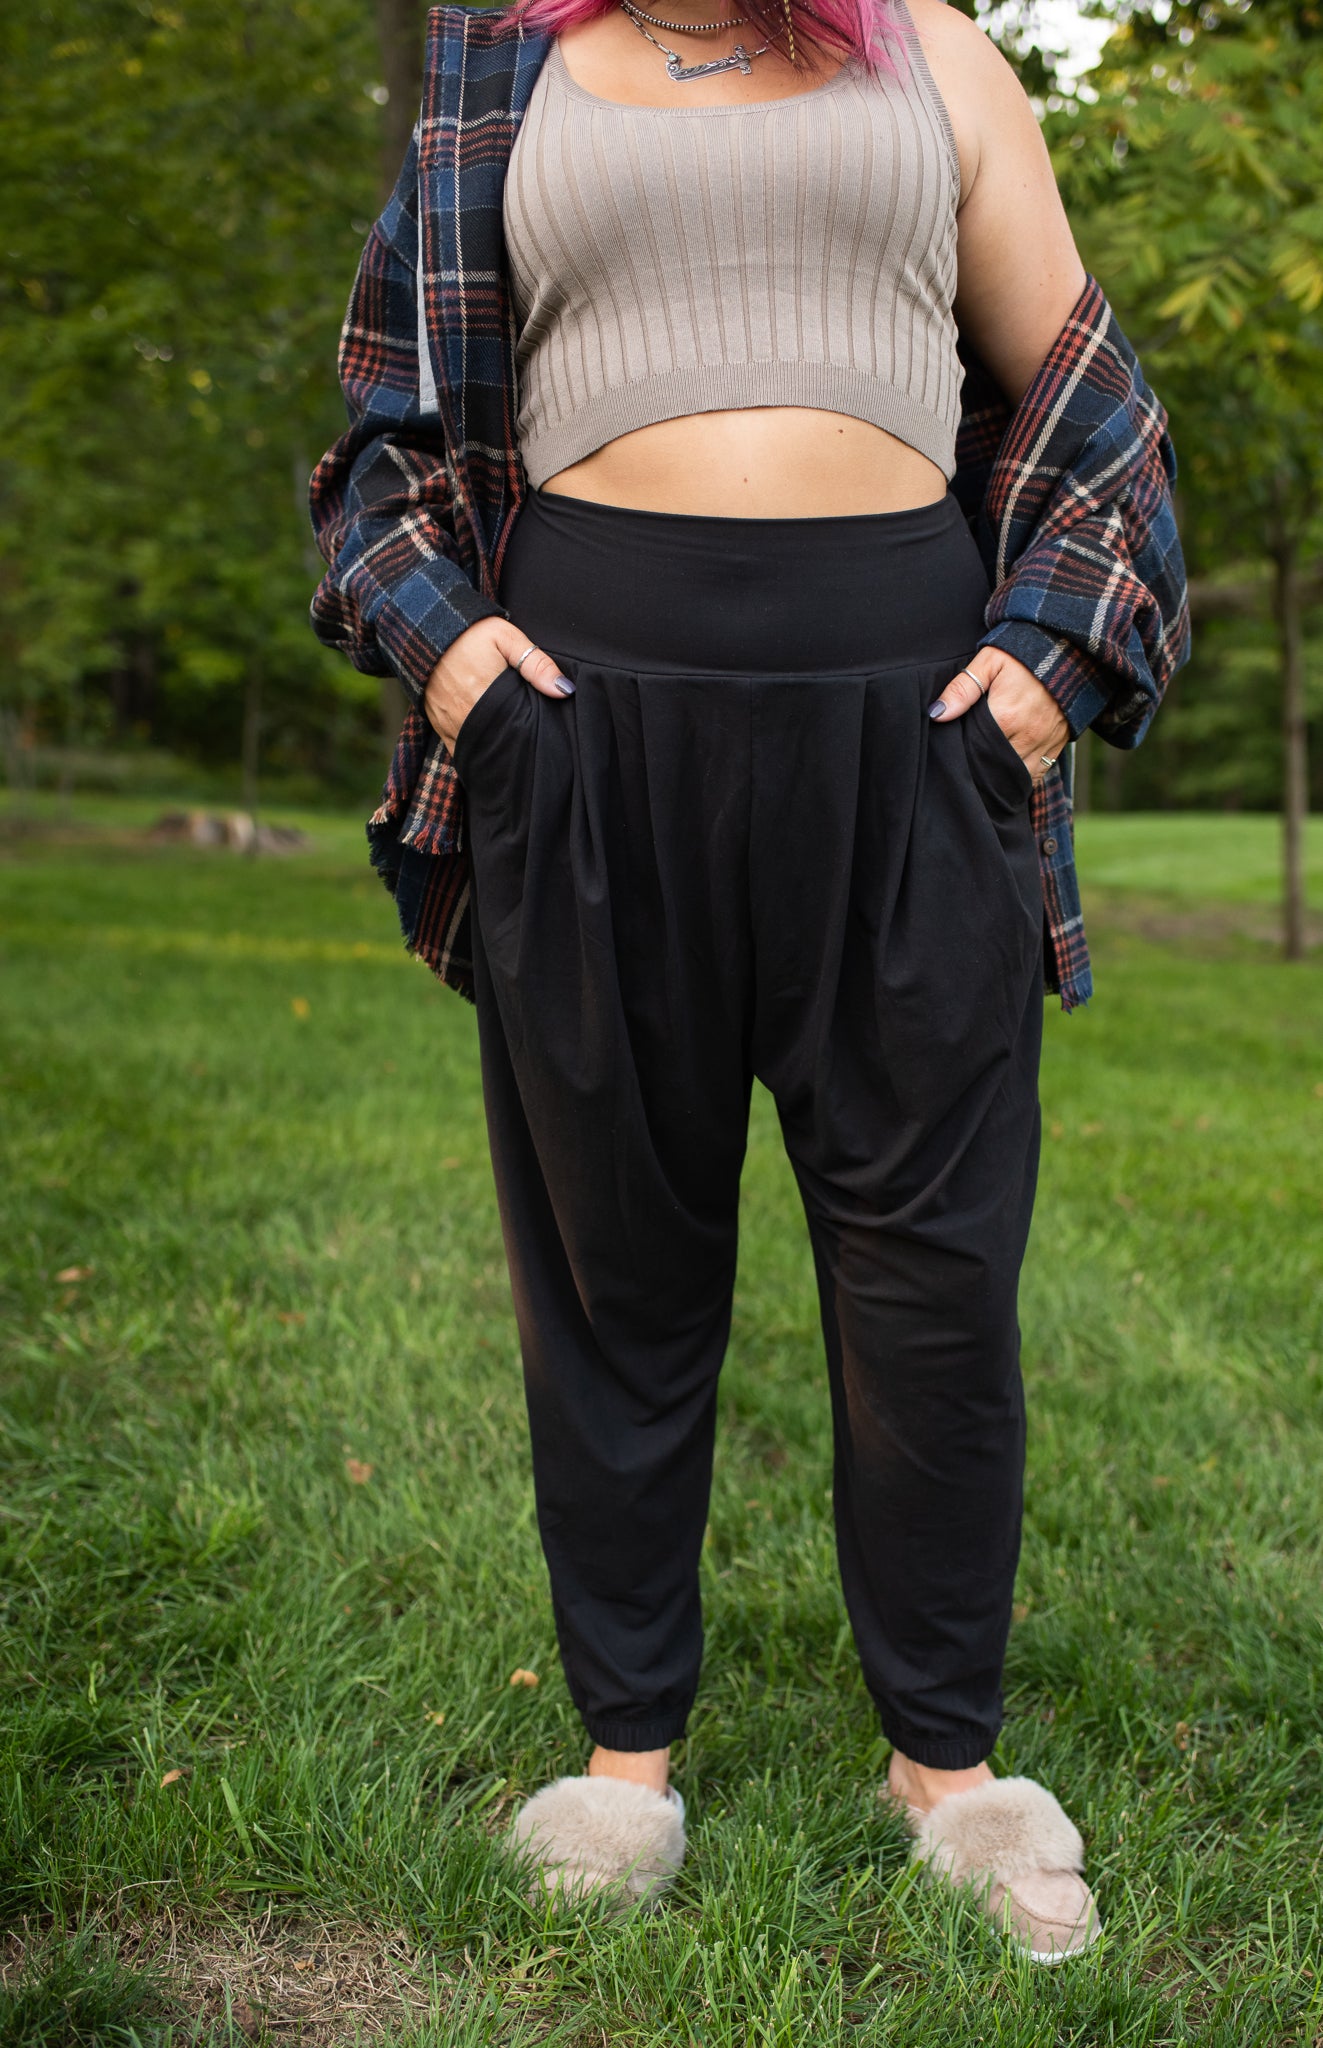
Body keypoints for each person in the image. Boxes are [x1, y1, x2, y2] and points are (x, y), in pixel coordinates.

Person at [310, 0, 1189, 1961]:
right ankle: (622, 1762)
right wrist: (460, 667)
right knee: (612, 1261)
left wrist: (1047, 671)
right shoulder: (495, 71)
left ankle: (947, 1766)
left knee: (933, 1274)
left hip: (918, 741)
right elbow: (380, 444)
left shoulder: (933, 55)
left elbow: (1096, 418)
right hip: (579, 734)